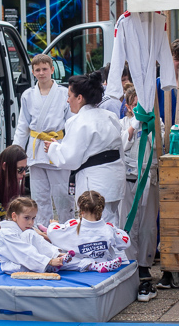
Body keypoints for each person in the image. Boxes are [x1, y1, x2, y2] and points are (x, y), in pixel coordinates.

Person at [42, 72, 125, 225]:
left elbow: (69, 158)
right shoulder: (110, 116)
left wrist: (53, 148)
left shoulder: (78, 121)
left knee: (94, 226)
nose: (67, 100)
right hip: (115, 178)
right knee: (111, 223)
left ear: (79, 98)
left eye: (69, 96)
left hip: (95, 182)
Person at [12, 54, 72, 225]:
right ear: (33, 72)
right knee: (39, 198)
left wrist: (69, 148)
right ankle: (42, 231)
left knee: (63, 196)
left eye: (45, 69)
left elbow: (71, 123)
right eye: (37, 70)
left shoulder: (63, 93)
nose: (41, 73)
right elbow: (23, 125)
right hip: (36, 150)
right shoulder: (28, 95)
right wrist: (15, 151)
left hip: (57, 146)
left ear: (52, 70)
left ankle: (67, 229)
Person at [46, 190, 130, 273]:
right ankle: (97, 264)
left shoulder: (72, 226)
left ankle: (89, 265)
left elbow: (52, 233)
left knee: (66, 258)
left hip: (75, 264)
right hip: (101, 260)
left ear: (81, 211)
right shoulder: (108, 228)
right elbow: (125, 243)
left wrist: (53, 224)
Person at [0, 197, 64, 274]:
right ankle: (51, 262)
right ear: (14, 216)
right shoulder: (6, 233)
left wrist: (55, 254)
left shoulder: (24, 229)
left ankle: (57, 255)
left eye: (33, 218)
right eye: (26, 218)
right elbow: (23, 252)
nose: (30, 222)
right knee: (30, 234)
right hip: (16, 265)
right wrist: (49, 261)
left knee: (30, 234)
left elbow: (40, 244)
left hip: (35, 262)